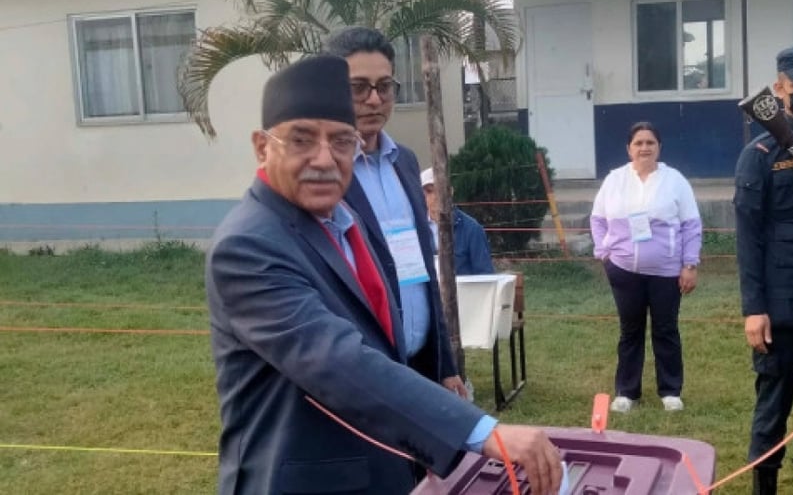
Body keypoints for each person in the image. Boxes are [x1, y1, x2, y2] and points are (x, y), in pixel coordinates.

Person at [206, 54, 565, 495]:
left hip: (377, 467)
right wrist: (480, 431)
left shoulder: (344, 222)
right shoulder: (248, 245)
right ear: (262, 147)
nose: (325, 158)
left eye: (342, 142)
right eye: (301, 140)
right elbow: (337, 360)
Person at [323, 27, 468, 398]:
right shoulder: (323, 173)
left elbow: (423, 268)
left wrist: (445, 365)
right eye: (359, 87)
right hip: (366, 370)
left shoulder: (405, 161)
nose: (374, 99)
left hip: (420, 361)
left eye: (384, 86)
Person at [590, 121, 702, 414]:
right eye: (638, 143)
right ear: (629, 149)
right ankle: (627, 392)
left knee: (666, 329)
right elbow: (598, 219)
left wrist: (689, 264)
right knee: (630, 331)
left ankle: (670, 391)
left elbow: (691, 225)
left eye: (650, 142)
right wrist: (604, 252)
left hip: (666, 271)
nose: (644, 148)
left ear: (659, 147)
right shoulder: (614, 180)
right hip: (624, 269)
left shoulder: (675, 180)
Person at [734, 45, 793, 495]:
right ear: (779, 88)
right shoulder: (759, 153)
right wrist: (754, 309)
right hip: (780, 310)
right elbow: (748, 237)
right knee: (772, 412)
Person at [420, 166, 494, 275]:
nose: (436, 196)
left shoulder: (472, 229)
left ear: (450, 192)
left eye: (440, 190)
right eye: (429, 191)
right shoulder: (416, 229)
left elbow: (485, 275)